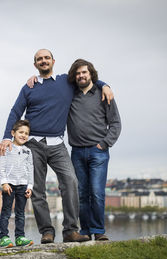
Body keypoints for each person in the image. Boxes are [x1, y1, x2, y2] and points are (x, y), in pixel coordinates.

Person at [0, 49, 113, 244]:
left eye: (46, 58)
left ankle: (70, 230)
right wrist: (6, 137)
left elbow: (85, 79)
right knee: (36, 189)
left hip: (58, 144)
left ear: (53, 61)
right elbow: (15, 111)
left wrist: (104, 85)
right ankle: (47, 231)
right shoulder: (29, 87)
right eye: (39, 59)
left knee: (71, 182)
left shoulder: (65, 82)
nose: (43, 61)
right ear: (35, 64)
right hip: (33, 144)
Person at [67, 59, 121, 241]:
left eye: (84, 72)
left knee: (97, 192)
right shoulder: (69, 94)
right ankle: (85, 231)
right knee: (81, 194)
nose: (81, 76)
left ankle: (98, 231)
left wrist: (105, 144)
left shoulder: (103, 94)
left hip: (98, 151)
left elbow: (115, 124)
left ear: (91, 74)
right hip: (77, 152)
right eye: (78, 73)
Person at [0, 119, 34, 248]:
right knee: (6, 211)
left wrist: (30, 186)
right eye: (21, 132)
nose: (23, 135)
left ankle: (20, 236)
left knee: (20, 213)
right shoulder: (6, 148)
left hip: (23, 185)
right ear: (13, 133)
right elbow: (0, 166)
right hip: (9, 185)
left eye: (26, 133)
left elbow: (31, 169)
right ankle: (4, 237)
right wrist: (4, 182)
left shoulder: (28, 151)